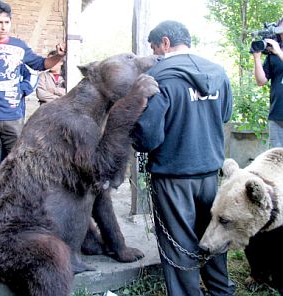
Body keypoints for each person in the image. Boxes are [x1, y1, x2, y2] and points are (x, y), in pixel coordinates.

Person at [131, 20, 235, 296]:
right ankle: (221, 290)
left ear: (165, 42)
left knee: (177, 243)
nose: (155, 54)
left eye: (155, 48)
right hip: (210, 172)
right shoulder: (218, 72)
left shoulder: (159, 76)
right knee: (211, 236)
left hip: (173, 173)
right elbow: (224, 116)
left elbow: (147, 136)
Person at [0, 0, 66, 190]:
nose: (4, 27)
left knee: (17, 166)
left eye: (7, 22)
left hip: (13, 117)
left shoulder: (19, 47)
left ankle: (14, 210)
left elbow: (41, 64)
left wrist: (59, 56)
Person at [253, 17, 283, 147]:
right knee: (276, 161)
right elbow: (261, 81)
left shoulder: (277, 51)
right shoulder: (273, 54)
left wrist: (279, 52)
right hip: (277, 115)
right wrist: (257, 58)